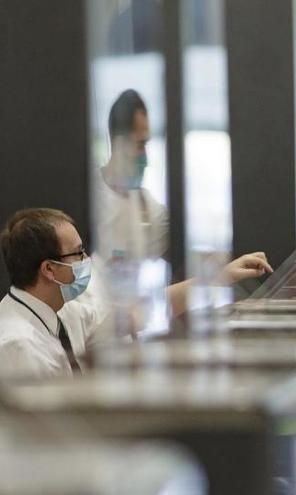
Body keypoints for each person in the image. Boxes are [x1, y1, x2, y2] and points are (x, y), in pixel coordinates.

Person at [0, 208, 272, 379]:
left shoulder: (63, 312)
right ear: (49, 269)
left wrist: (218, 277)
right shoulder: (18, 345)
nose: (87, 261)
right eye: (78, 253)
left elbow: (140, 313)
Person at [96, 89, 168, 260]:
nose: (145, 157)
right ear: (117, 143)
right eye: (140, 143)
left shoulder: (149, 207)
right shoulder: (91, 196)